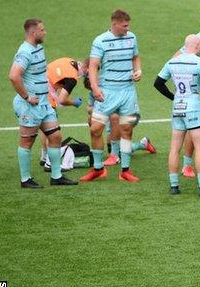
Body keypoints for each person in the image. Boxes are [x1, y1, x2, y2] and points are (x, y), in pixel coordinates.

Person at [9, 18, 78, 188]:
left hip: (44, 103)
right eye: (42, 29)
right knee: (27, 141)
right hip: (29, 105)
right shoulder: (25, 52)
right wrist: (26, 97)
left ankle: (56, 176)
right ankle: (25, 180)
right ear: (33, 33)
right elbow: (14, 76)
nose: (44, 32)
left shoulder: (39, 48)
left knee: (55, 136)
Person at [81, 9, 142, 182]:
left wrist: (138, 70)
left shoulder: (132, 37)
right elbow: (93, 66)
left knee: (126, 129)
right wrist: (95, 87)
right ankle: (98, 169)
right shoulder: (100, 41)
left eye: (128, 25)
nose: (127, 28)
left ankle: (125, 170)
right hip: (107, 92)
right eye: (124, 25)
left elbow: (136, 57)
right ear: (114, 24)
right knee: (95, 129)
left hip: (128, 92)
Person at [154, 35, 200, 197]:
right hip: (194, 108)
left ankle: (174, 186)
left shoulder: (173, 61)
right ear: (197, 46)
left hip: (178, 107)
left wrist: (173, 97)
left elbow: (157, 83)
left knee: (175, 148)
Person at [39, 57, 86, 169]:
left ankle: (44, 156)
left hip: (37, 86)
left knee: (44, 126)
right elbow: (62, 100)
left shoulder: (68, 60)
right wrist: (74, 103)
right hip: (46, 94)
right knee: (52, 131)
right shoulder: (72, 78)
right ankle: (49, 163)